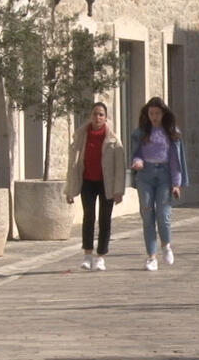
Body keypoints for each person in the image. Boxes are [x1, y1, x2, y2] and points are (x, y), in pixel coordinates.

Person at [65, 102, 126, 272]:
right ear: (90, 116)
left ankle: (101, 257)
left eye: (101, 114)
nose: (97, 117)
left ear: (106, 118)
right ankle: (87, 255)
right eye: (95, 114)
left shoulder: (113, 140)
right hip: (88, 181)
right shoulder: (81, 136)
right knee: (88, 217)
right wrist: (70, 190)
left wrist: (119, 191)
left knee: (105, 219)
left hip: (106, 183)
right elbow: (73, 165)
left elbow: (120, 167)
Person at [130, 97, 189, 272]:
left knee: (163, 214)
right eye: (151, 113)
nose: (154, 117)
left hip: (164, 175)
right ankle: (151, 257)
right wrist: (138, 161)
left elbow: (175, 160)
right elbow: (136, 153)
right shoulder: (141, 133)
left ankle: (166, 245)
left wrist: (176, 183)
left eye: (157, 113)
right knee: (147, 214)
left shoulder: (172, 133)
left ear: (163, 114)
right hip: (145, 175)